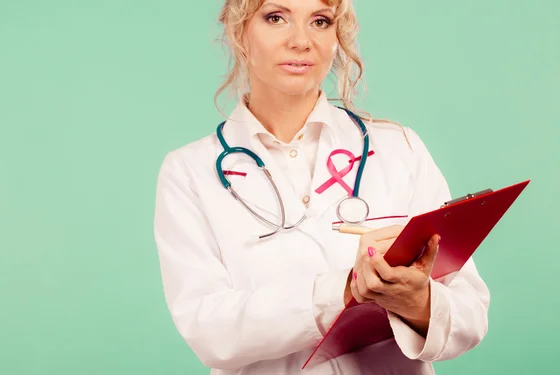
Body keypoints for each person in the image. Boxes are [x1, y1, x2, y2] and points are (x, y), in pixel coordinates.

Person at [153, 0, 490, 374]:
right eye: (276, 18)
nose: (301, 41)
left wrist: (418, 302)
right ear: (239, 31)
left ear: (337, 35)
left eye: (320, 21)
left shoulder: (399, 149)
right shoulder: (189, 172)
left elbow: (470, 314)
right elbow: (209, 331)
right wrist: (342, 292)